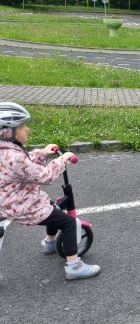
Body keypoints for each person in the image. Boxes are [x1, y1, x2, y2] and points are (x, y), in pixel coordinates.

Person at [0, 102, 101, 280]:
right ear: (8, 132)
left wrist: (43, 153)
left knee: (53, 207)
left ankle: (51, 243)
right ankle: (74, 266)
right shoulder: (14, 158)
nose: (27, 130)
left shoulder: (8, 152)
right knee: (69, 223)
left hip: (12, 200)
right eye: (23, 127)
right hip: (23, 205)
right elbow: (45, 176)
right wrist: (62, 160)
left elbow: (26, 163)